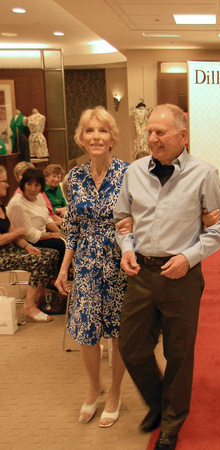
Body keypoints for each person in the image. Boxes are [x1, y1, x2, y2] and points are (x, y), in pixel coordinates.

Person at [114, 103, 220, 450]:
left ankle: (172, 421)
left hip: (181, 275)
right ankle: (160, 402)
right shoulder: (134, 172)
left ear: (183, 136)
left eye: (160, 132)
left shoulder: (203, 173)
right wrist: (126, 247)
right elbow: (123, 218)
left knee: (179, 353)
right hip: (140, 274)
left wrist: (189, 256)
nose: (152, 138)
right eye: (149, 131)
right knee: (131, 348)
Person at [54, 106, 130, 428]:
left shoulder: (129, 173)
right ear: (81, 139)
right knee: (87, 331)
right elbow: (71, 226)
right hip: (85, 261)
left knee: (118, 331)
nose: (96, 136)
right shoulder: (74, 178)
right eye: (89, 131)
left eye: (102, 131)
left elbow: (136, 220)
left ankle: (114, 392)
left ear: (112, 137)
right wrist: (63, 268)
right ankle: (93, 387)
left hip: (119, 259)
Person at [0, 165, 59, 323]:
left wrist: (27, 246)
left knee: (51, 254)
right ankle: (29, 306)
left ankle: (39, 294)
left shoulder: (1, 207)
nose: (7, 184)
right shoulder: (16, 203)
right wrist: (16, 234)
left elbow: (17, 235)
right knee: (39, 261)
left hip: (12, 248)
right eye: (4, 181)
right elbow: (16, 233)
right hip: (2, 254)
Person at [7, 168, 65, 270]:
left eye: (37, 185)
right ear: (23, 185)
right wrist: (52, 235)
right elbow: (28, 234)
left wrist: (60, 233)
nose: (33, 189)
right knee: (60, 244)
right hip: (28, 241)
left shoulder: (39, 196)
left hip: (42, 234)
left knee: (68, 238)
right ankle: (55, 277)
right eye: (29, 184)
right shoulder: (17, 204)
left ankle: (67, 271)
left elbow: (46, 218)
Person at [13, 161, 62, 227]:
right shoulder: (18, 197)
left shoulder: (39, 192)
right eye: (22, 175)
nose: (26, 177)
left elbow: (48, 214)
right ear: (17, 177)